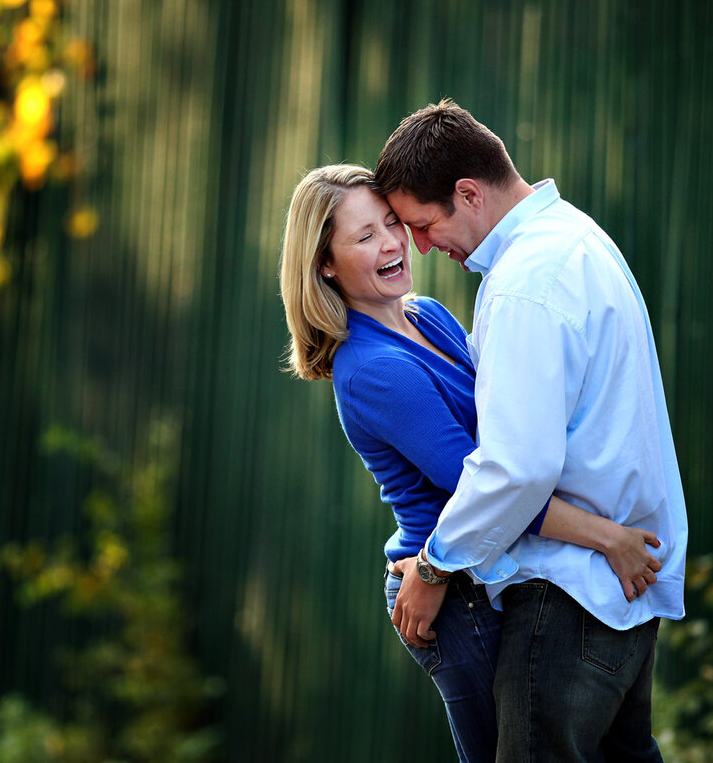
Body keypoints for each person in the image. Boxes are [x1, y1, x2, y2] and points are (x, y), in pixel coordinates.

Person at [279, 163, 666, 763]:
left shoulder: (427, 314)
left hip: (481, 563)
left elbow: (512, 435)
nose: (392, 243)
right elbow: (485, 483)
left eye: (392, 223)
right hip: (450, 590)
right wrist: (606, 538)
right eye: (364, 236)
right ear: (324, 264)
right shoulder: (373, 371)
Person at [376, 100, 688, 761]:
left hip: (566, 598)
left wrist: (433, 565)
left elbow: (517, 467)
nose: (423, 246)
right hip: (618, 588)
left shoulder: (525, 282)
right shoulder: (575, 237)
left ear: (467, 193)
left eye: (423, 225)